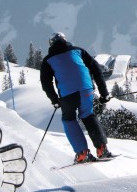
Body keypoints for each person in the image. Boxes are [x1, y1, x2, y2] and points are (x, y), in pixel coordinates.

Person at [39, 33, 114, 163]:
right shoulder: (78, 51)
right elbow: (96, 69)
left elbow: (46, 82)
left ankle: (82, 153)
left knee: (69, 120)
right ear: (65, 40)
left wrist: (55, 100)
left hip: (68, 94)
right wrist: (104, 93)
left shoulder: (48, 60)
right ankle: (102, 149)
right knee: (88, 115)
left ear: (51, 44)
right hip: (86, 89)